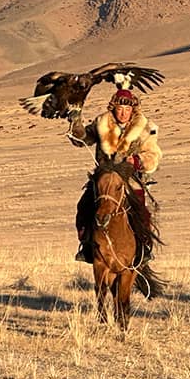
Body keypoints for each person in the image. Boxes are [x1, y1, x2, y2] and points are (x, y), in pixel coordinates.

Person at [69, 89, 162, 263]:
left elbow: (153, 155)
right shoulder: (101, 123)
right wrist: (76, 124)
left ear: (133, 110)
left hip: (129, 179)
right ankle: (87, 246)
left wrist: (136, 161)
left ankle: (143, 247)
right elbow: (83, 139)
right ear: (113, 108)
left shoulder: (145, 128)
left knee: (142, 212)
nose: (123, 113)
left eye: (127, 110)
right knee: (83, 206)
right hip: (103, 177)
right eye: (120, 109)